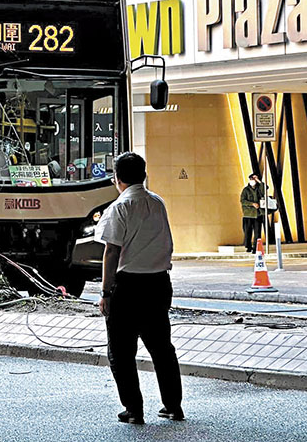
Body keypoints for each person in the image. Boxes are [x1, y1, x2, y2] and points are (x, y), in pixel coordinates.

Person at [96, 152, 183, 425]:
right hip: (158, 283)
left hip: (128, 287)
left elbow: (111, 252)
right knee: (161, 348)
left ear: (116, 178)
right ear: (144, 175)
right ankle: (173, 406)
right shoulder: (158, 203)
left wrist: (106, 293)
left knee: (121, 352)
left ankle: (134, 409)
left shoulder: (119, 208)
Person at [240, 173, 265, 253]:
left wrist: (258, 180)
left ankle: (256, 248)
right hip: (248, 214)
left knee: (257, 233)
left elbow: (265, 188)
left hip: (257, 214)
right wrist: (252, 204)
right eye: (251, 179)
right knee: (247, 232)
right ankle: (248, 246)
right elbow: (243, 201)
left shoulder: (259, 189)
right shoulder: (246, 190)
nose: (252, 181)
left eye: (254, 179)